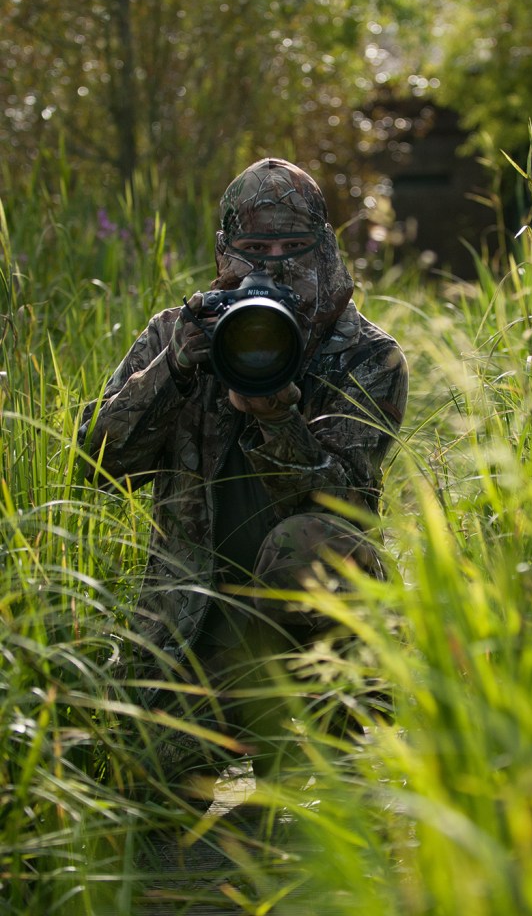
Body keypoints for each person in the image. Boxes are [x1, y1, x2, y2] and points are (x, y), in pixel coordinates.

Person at [79, 158, 408, 812]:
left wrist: (279, 417)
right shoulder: (183, 333)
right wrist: (171, 371)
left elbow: (343, 507)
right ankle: (227, 744)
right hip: (192, 629)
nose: (276, 263)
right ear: (226, 253)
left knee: (313, 541)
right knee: (146, 790)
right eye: (256, 250)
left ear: (325, 245)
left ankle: (332, 751)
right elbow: (93, 466)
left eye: (295, 248)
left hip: (302, 632)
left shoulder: (364, 355)